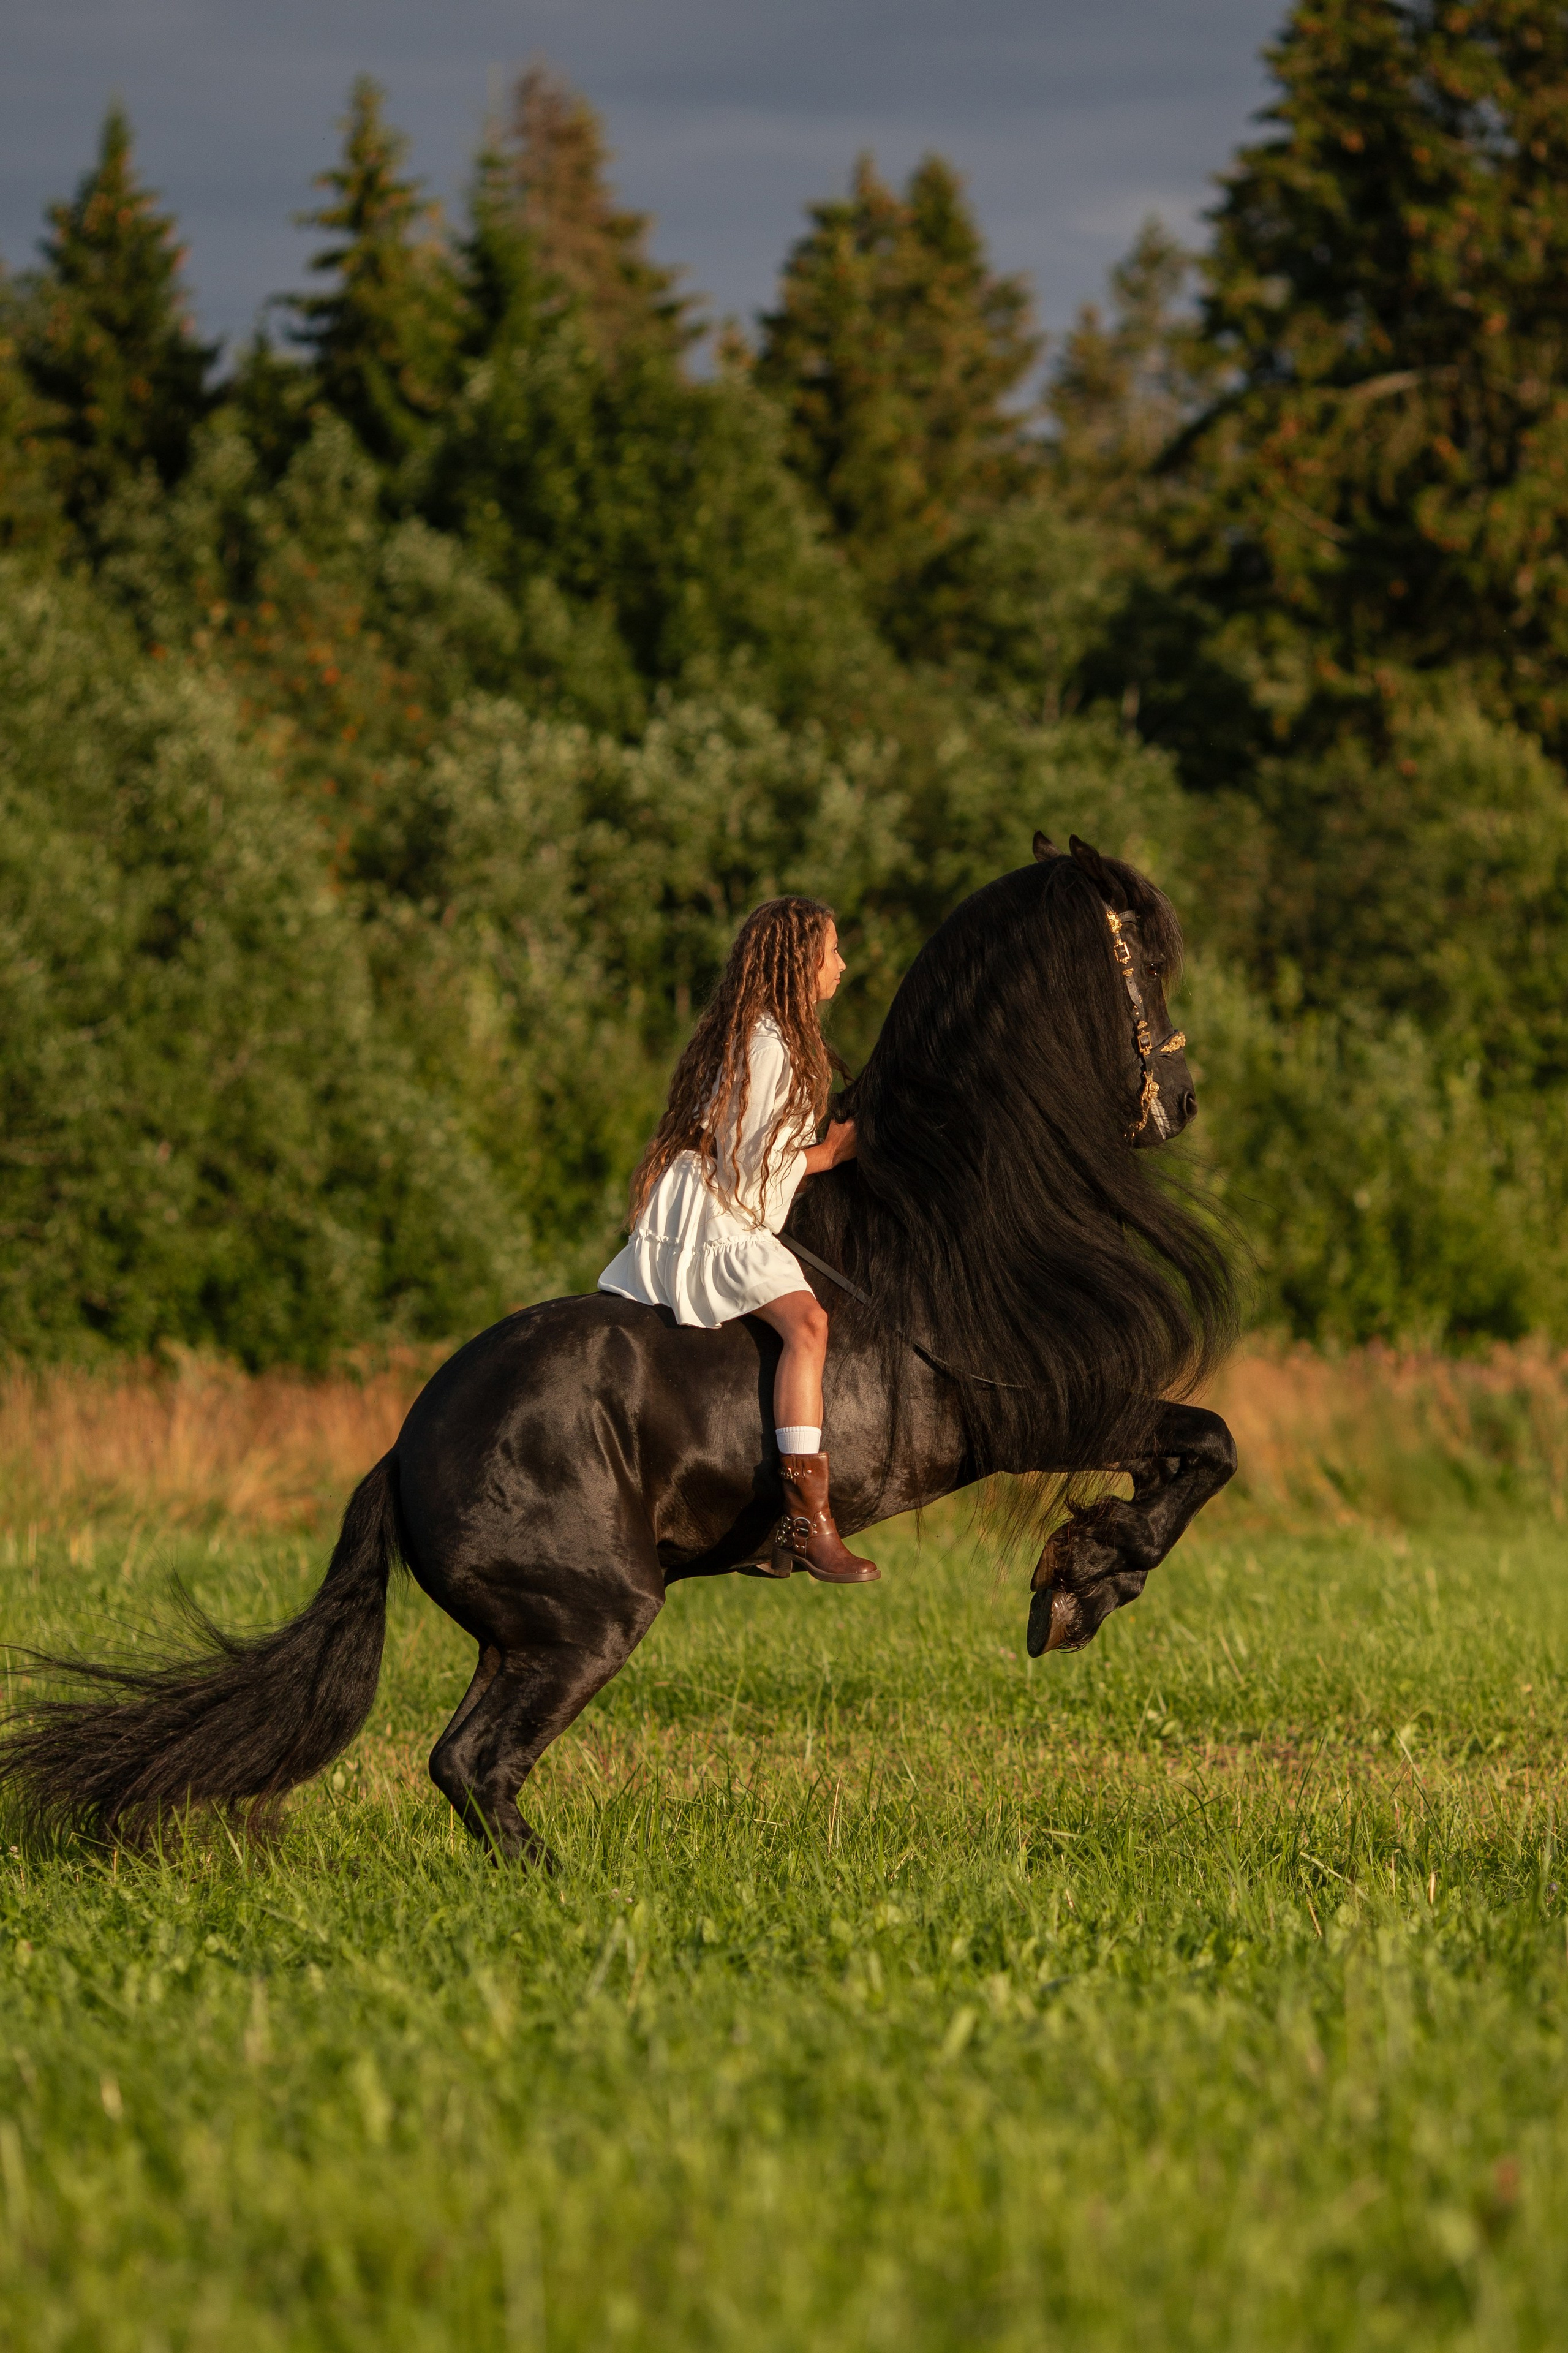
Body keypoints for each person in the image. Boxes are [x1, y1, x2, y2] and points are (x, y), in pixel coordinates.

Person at [598, 896, 879, 1583]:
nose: (842, 964)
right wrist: (832, 1155)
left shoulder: (773, 1035)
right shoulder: (767, 1045)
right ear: (799, 963)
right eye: (833, 952)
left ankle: (769, 1522)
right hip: (716, 1208)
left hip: (717, 1194)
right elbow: (750, 1169)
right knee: (808, 1324)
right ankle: (807, 1523)